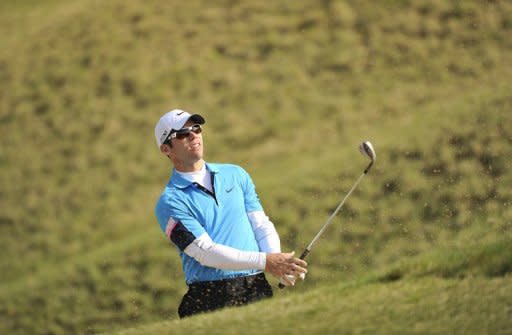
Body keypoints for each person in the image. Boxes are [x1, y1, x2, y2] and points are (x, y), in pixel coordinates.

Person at [154, 109, 308, 318]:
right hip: (210, 297)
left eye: (196, 128)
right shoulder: (169, 202)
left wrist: (278, 262)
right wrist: (267, 261)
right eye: (181, 134)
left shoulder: (235, 174)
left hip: (256, 287)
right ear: (166, 149)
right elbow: (205, 252)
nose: (193, 135)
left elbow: (260, 224)